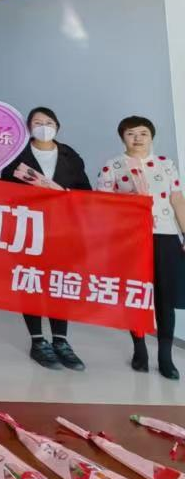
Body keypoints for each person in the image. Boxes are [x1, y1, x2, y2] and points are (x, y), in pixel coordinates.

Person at [0, 106, 89, 371]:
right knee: (31, 282)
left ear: (57, 126)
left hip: (63, 229)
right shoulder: (16, 154)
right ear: (28, 128)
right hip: (28, 227)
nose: (43, 127)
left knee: (58, 283)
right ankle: (38, 341)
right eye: (37, 122)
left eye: (48, 122)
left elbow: (85, 191)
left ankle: (61, 341)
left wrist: (66, 193)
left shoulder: (70, 155)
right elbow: (3, 189)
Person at [96, 116, 183, 381]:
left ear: (151, 137)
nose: (137, 138)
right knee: (136, 294)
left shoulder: (166, 164)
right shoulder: (112, 165)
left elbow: (177, 199)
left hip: (165, 235)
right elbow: (102, 204)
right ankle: (140, 350)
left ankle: (165, 356)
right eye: (131, 133)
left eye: (143, 133)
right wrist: (128, 201)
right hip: (130, 238)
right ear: (123, 137)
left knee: (165, 297)